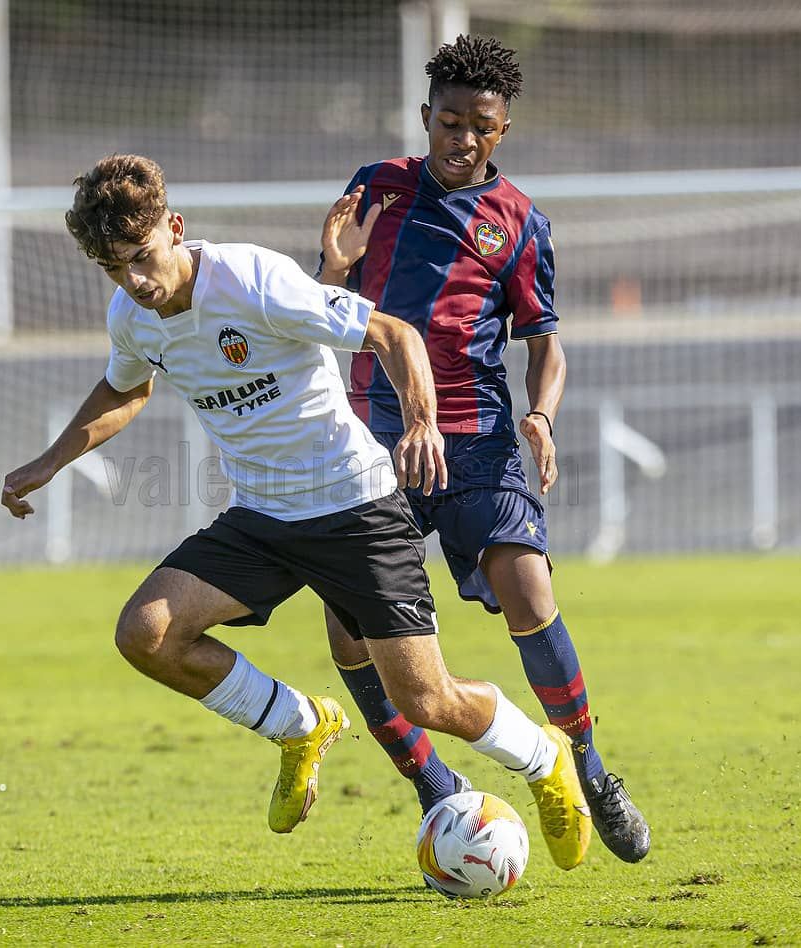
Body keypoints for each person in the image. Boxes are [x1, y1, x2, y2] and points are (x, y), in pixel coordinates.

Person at [0, 154, 591, 867]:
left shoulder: (253, 279)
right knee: (146, 632)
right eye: (115, 268)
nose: (135, 280)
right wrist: (46, 463)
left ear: (175, 228)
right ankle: (298, 724)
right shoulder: (133, 314)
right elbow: (126, 389)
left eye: (142, 256)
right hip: (262, 519)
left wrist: (421, 423)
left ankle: (542, 757)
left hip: (356, 508)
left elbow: (395, 335)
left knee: (426, 700)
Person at [315, 35, 651, 866]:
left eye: (482, 126)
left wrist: (542, 415)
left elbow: (546, 343)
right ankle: (435, 788)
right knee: (350, 632)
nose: (462, 137)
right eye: (450, 119)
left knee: (526, 583)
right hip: (375, 439)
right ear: (427, 115)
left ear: (503, 131)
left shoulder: (522, 223)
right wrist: (331, 265)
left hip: (477, 438)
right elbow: (315, 307)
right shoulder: (376, 188)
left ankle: (590, 770)